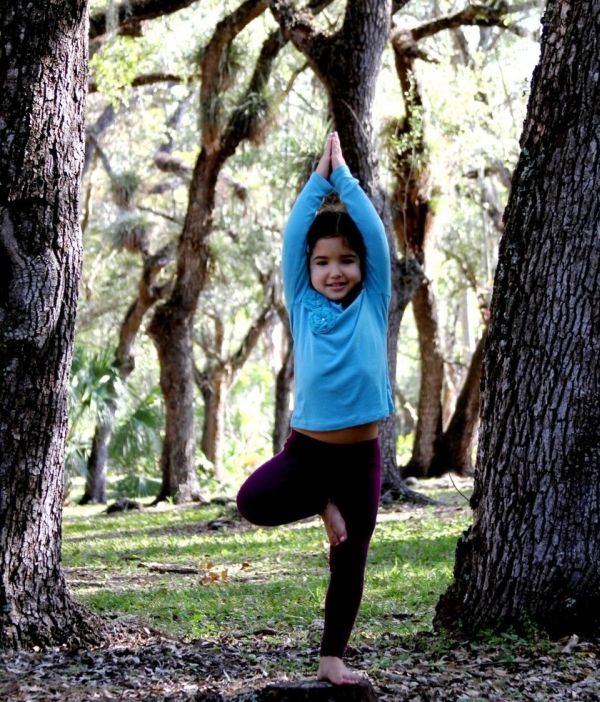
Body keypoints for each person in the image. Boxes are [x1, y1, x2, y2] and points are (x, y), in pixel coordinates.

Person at [236, 132, 393, 685]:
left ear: (362, 267)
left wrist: (347, 181)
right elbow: (291, 238)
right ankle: (322, 501)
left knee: (350, 558)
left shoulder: (374, 299)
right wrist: (320, 179)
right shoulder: (302, 302)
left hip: (362, 457)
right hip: (309, 452)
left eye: (346, 261)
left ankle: (332, 660)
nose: (335, 271)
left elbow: (372, 232)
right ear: (310, 268)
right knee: (252, 501)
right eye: (324, 262)